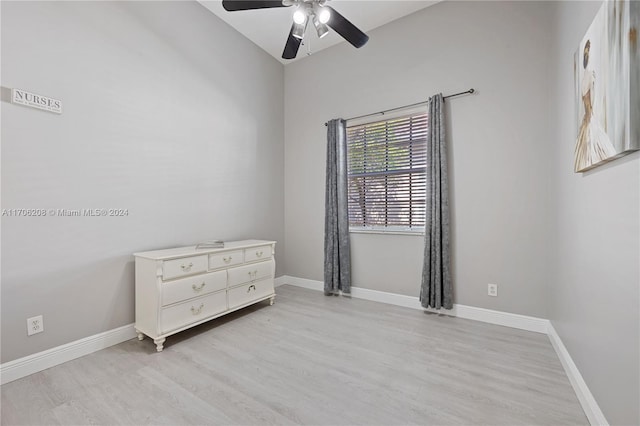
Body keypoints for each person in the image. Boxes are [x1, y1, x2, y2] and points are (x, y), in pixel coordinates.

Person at [574, 40, 616, 172]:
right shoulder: (591, 75)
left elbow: (584, 100)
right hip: (590, 116)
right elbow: (593, 100)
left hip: (586, 118)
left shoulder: (582, 80)